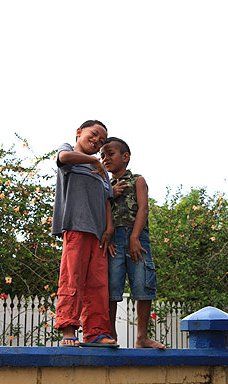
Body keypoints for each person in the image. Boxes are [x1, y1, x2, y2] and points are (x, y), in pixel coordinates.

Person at [52, 120, 117, 347]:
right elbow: (63, 159)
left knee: (98, 284)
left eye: (101, 141)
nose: (97, 142)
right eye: (94, 134)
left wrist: (109, 229)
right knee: (72, 278)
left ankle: (96, 333)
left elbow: (107, 200)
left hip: (98, 234)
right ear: (79, 132)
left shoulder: (102, 173)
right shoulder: (68, 151)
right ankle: (68, 329)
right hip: (76, 227)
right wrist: (93, 160)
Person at [101, 137, 166, 349]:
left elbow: (143, 209)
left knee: (143, 283)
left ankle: (141, 337)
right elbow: (101, 212)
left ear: (125, 157)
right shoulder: (103, 184)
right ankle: (111, 335)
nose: (105, 158)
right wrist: (107, 235)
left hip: (137, 238)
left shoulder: (137, 179)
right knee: (112, 287)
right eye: (102, 155)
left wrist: (135, 237)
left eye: (110, 154)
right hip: (113, 241)